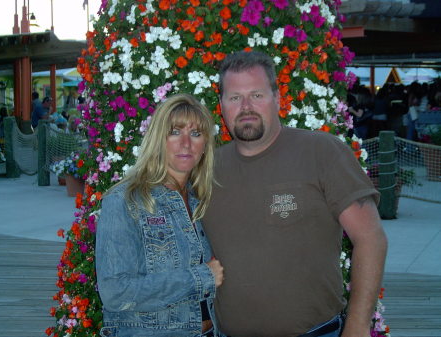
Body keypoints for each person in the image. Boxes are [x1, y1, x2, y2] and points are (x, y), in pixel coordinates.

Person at [202, 51, 388, 337]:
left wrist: (357, 327)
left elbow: (371, 237)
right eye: (235, 97)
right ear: (222, 105)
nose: (246, 106)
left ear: (277, 98)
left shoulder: (321, 152)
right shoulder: (208, 170)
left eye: (257, 95)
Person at [96, 93, 224, 337]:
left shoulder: (203, 201)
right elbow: (115, 293)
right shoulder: (125, 201)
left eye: (196, 134)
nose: (186, 143)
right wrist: (200, 277)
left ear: (205, 145)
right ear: (158, 139)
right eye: (175, 132)